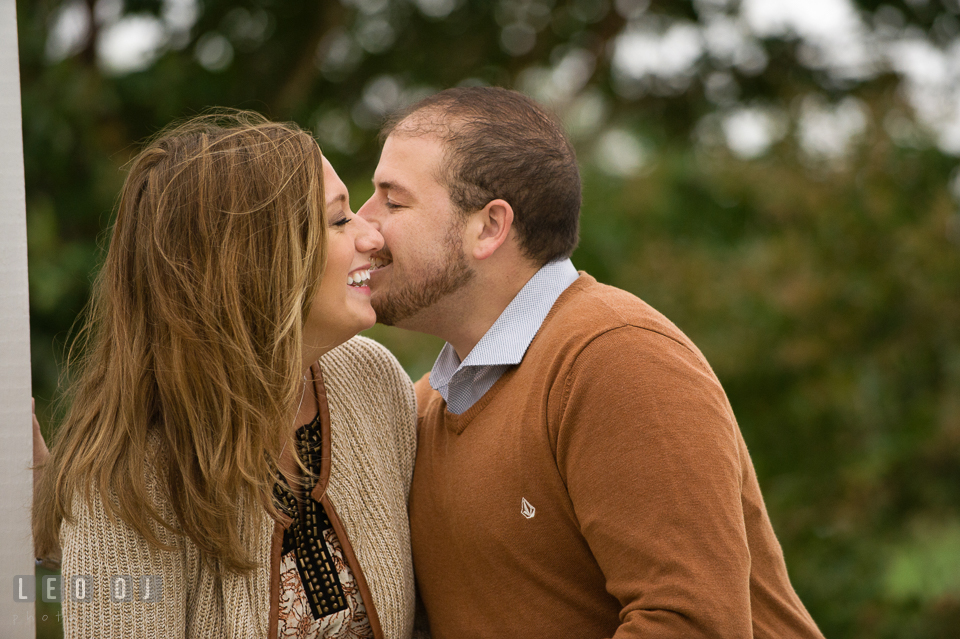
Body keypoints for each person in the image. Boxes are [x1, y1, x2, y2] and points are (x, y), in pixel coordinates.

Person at [356, 87, 826, 638]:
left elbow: (691, 624)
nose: (365, 227)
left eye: (393, 200)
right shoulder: (420, 407)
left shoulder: (617, 359)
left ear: (489, 227)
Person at [32, 111, 418, 639]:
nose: (373, 236)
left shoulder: (373, 381)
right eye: (339, 219)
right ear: (256, 261)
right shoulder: (127, 484)